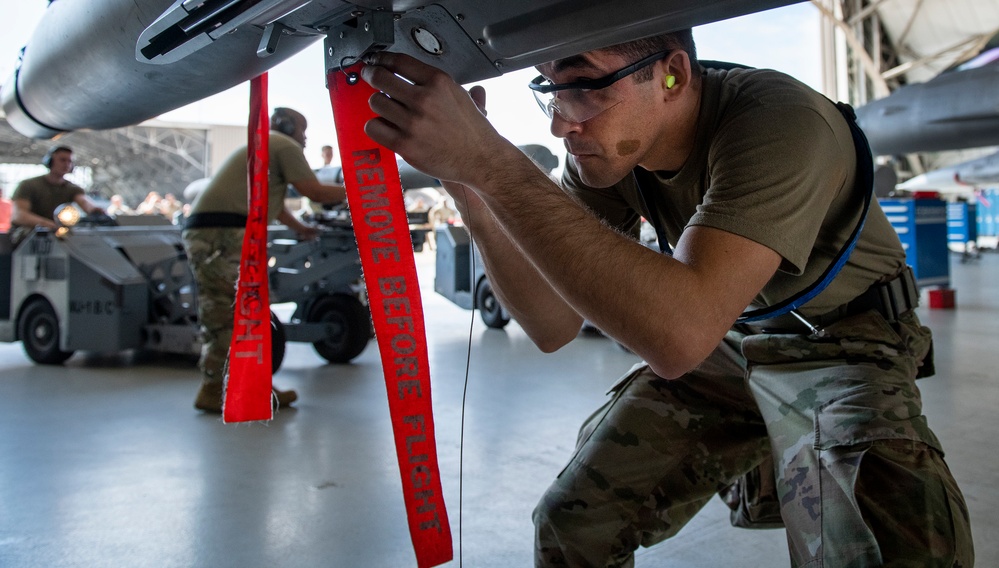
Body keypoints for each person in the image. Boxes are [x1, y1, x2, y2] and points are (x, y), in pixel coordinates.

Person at [357, 30, 973, 567]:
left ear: (672, 74)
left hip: (845, 338)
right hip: (735, 338)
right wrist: (469, 184)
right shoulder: (608, 155)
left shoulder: (777, 120)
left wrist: (493, 163)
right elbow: (551, 324)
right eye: (550, 90)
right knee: (574, 524)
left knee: (893, 547)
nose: (560, 122)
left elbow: (677, 338)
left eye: (585, 87)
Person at [182, 107, 346, 414]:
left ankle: (244, 386)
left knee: (243, 309)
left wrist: (302, 229)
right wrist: (365, 189)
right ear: (286, 127)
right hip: (222, 233)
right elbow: (314, 192)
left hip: (219, 232)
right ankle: (216, 390)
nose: (305, 138)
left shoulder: (264, 144)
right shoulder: (283, 145)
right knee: (231, 311)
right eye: (303, 130)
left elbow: (275, 203)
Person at [9, 146, 104, 245]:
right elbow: (19, 215)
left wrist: (95, 211)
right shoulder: (29, 185)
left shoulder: (73, 189)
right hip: (28, 233)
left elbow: (84, 202)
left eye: (69, 161)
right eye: (62, 160)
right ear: (50, 161)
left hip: (57, 233)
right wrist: (47, 224)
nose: (67, 164)